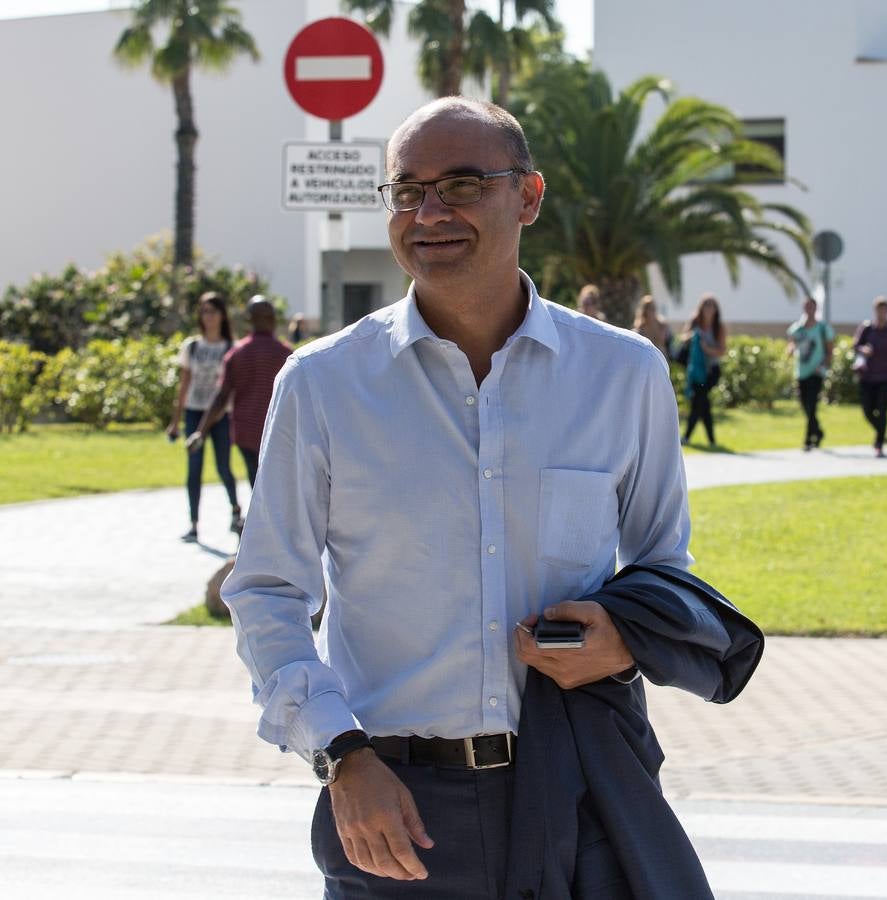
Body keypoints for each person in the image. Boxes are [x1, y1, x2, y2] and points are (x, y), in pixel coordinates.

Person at [220, 97, 731, 898]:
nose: (429, 213)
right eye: (406, 190)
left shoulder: (622, 374)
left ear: (526, 196)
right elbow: (266, 592)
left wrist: (624, 640)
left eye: (462, 185)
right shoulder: (323, 383)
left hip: (580, 788)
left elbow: (665, 566)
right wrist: (339, 756)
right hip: (390, 810)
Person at [186, 297, 293, 487]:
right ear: (273, 319)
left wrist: (201, 432)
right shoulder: (286, 354)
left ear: (249, 320)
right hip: (277, 429)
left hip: (246, 431)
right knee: (275, 482)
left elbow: (221, 397)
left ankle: (258, 513)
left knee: (255, 478)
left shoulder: (237, 354)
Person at [166, 291, 241, 541]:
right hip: (195, 411)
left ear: (222, 315)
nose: (208, 317)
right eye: (204, 311)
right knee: (194, 467)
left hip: (220, 414)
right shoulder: (192, 347)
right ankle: (194, 523)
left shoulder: (230, 348)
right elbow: (184, 384)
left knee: (223, 466)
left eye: (212, 311)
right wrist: (175, 421)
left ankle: (235, 511)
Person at [786, 296, 835, 450]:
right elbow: (791, 343)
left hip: (816, 371)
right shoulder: (797, 328)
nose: (810, 309)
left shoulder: (822, 328)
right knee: (804, 405)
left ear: (816, 308)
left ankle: (808, 439)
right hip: (801, 371)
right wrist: (791, 349)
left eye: (812, 306)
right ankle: (818, 431)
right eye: (807, 306)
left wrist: (824, 365)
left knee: (812, 405)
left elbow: (829, 350)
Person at [853, 296, 887, 456]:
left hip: (886, 377)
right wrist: (863, 349)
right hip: (868, 377)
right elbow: (856, 345)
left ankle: (879, 442)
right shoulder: (867, 328)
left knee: (882, 409)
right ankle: (882, 432)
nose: (882, 313)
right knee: (867, 410)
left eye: (884, 310)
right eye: (879, 310)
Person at [680, 292, 727, 446]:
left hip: (711, 371)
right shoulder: (695, 321)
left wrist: (707, 349)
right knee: (702, 404)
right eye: (706, 305)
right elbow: (683, 338)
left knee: (699, 402)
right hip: (696, 370)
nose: (709, 309)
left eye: (711, 306)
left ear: (715, 309)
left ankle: (686, 437)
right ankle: (711, 440)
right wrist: (694, 336)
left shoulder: (718, 327)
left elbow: (721, 351)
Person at [632, 294, 673, 359]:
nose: (654, 311)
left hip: (660, 358)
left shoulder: (662, 325)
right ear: (645, 311)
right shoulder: (639, 328)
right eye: (651, 308)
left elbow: (664, 342)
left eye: (654, 308)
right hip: (645, 358)